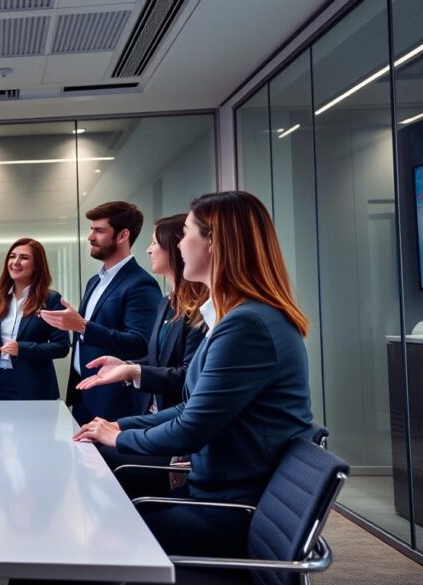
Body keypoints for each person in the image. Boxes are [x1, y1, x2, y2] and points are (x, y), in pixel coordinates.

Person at [76, 191, 315, 559]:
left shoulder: (247, 325)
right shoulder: (240, 318)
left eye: (186, 232)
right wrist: (119, 426)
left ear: (214, 241)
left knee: (84, 537)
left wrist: (119, 438)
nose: (178, 244)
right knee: (98, 512)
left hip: (228, 509)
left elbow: (191, 427)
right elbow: (192, 407)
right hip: (217, 493)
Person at [75, 213, 208, 497]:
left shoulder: (202, 310)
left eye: (153, 243)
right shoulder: (166, 302)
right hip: (155, 415)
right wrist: (125, 365)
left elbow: (187, 379)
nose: (148, 249)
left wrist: (131, 370)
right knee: (91, 451)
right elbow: (156, 360)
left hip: (177, 434)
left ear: (175, 247)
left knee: (100, 461)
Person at [40, 201, 161, 424]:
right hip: (84, 395)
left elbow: (141, 343)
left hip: (115, 401)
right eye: (91, 229)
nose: (90, 237)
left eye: (99, 230)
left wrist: (82, 326)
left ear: (123, 235)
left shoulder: (141, 284)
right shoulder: (94, 281)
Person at [0, 238, 70, 400]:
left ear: (37, 265)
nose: (15, 262)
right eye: (12, 256)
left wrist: (22, 348)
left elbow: (62, 347)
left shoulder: (51, 299)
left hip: (34, 385)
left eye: (24, 258)